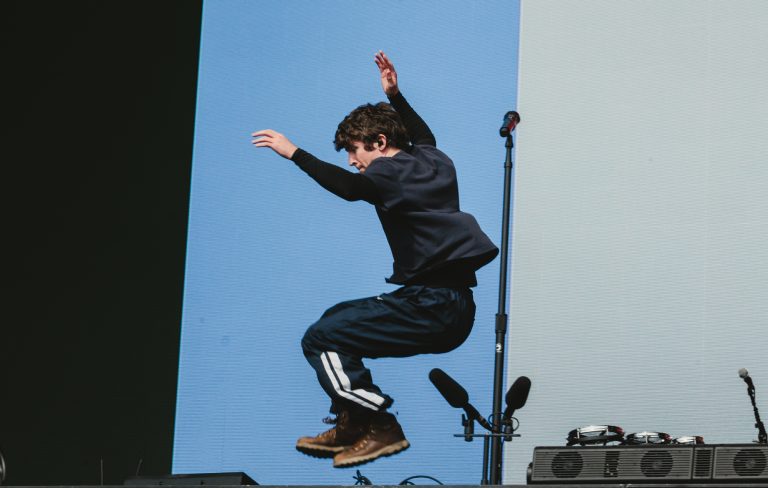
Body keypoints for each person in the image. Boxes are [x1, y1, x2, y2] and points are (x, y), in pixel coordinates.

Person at [251, 51, 498, 468]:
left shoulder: (386, 173)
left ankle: (375, 421)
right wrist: (396, 96)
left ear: (380, 144)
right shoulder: (435, 160)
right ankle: (351, 420)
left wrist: (294, 153)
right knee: (338, 318)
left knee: (320, 336)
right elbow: (425, 136)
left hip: (430, 305)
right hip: (452, 308)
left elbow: (349, 189)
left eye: (353, 151)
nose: (352, 161)